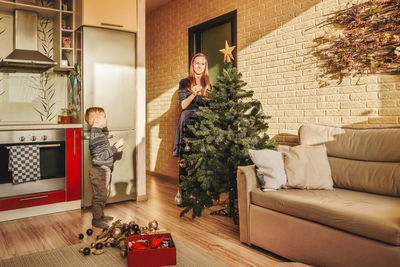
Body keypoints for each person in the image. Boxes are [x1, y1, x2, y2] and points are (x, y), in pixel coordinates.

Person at [173, 53, 211, 187]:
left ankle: (198, 191)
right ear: (192, 64)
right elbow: (183, 105)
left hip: (203, 124)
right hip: (188, 123)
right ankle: (184, 193)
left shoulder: (208, 84)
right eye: (197, 63)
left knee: (201, 158)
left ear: (205, 66)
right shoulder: (185, 82)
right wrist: (194, 93)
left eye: (202, 63)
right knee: (185, 159)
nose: (199, 66)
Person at [84, 107, 124, 229]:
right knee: (100, 196)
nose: (107, 119)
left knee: (103, 194)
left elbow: (102, 152)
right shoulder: (97, 135)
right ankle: (96, 219)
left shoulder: (98, 134)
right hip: (100, 170)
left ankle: (100, 215)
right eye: (104, 117)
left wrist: (113, 147)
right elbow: (102, 155)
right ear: (96, 121)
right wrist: (116, 146)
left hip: (103, 169)